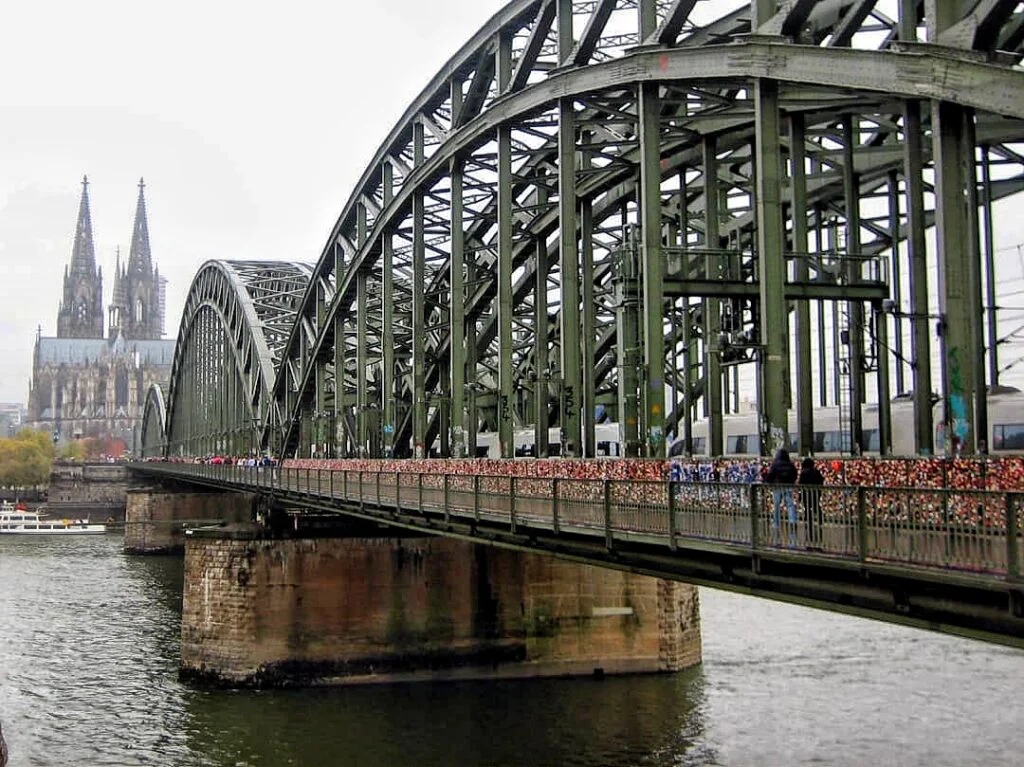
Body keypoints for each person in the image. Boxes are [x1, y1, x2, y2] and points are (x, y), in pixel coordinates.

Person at [765, 448, 798, 543]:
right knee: (790, 505)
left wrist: (769, 483)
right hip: (788, 486)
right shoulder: (790, 464)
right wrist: (791, 482)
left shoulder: (775, 464)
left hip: (777, 487)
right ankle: (792, 521)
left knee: (776, 505)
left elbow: (770, 475)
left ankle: (776, 523)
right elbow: (794, 474)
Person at [798, 457, 825, 548]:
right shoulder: (816, 472)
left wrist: (800, 496)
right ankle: (820, 520)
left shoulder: (803, 473)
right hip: (815, 493)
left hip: (806, 494)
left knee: (807, 508)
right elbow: (821, 480)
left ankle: (808, 522)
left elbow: (800, 484)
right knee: (817, 506)